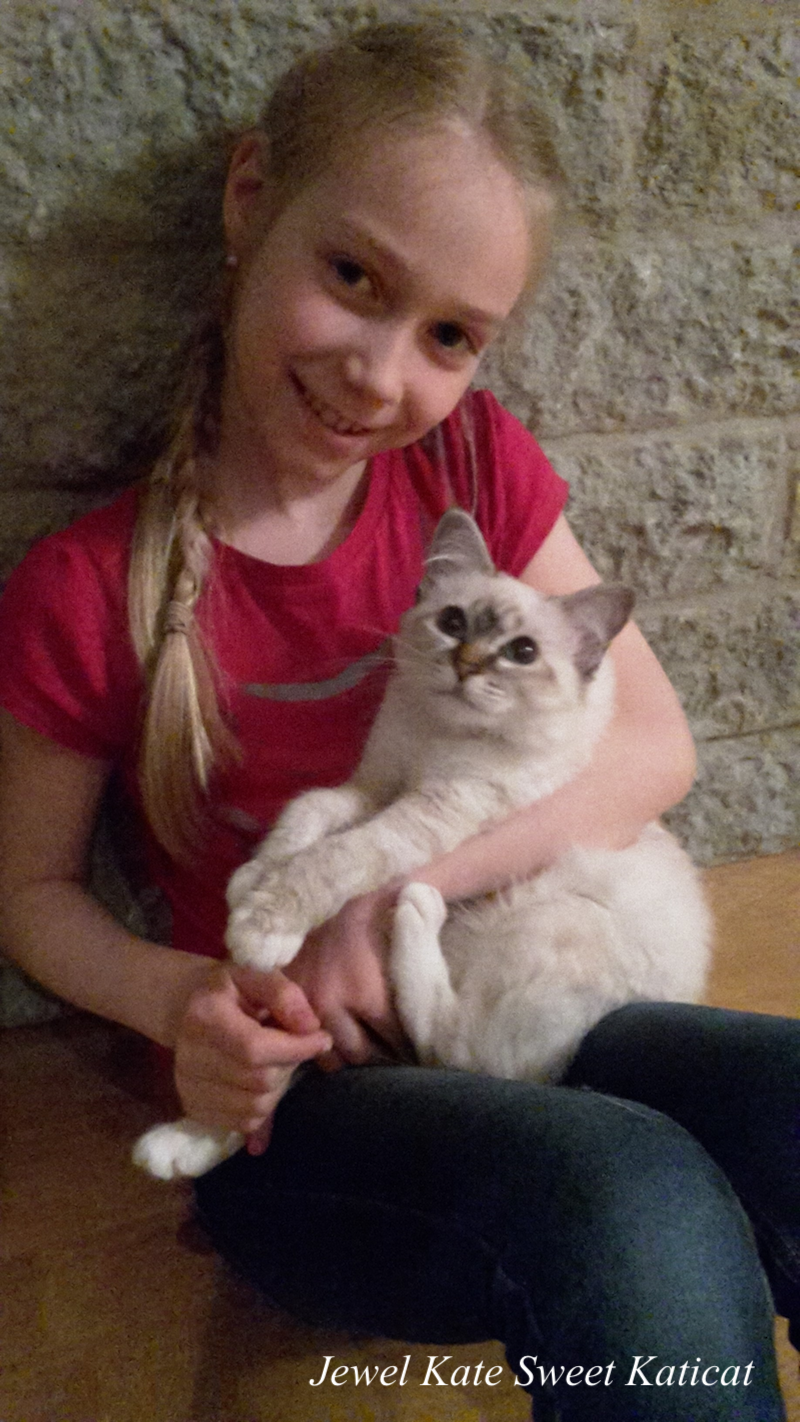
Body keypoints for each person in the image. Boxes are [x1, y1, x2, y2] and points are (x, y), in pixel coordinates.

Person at [0, 20, 796, 1420]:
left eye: (448, 336)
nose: (380, 371)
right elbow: (29, 892)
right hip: (296, 1098)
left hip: (513, 989)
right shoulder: (83, 587)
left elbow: (652, 745)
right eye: (354, 277)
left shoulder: (472, 470)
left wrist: (389, 892)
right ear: (252, 199)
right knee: (631, 1195)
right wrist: (181, 1002)